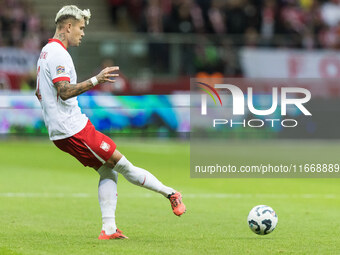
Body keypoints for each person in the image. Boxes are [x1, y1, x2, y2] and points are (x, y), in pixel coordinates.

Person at [35, 5, 186, 240]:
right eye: (81, 28)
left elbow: (39, 93)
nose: (83, 33)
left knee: (109, 171)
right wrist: (97, 79)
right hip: (73, 129)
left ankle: (109, 229)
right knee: (123, 165)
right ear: (68, 26)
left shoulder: (45, 51)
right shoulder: (58, 54)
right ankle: (171, 193)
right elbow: (64, 92)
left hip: (64, 130)